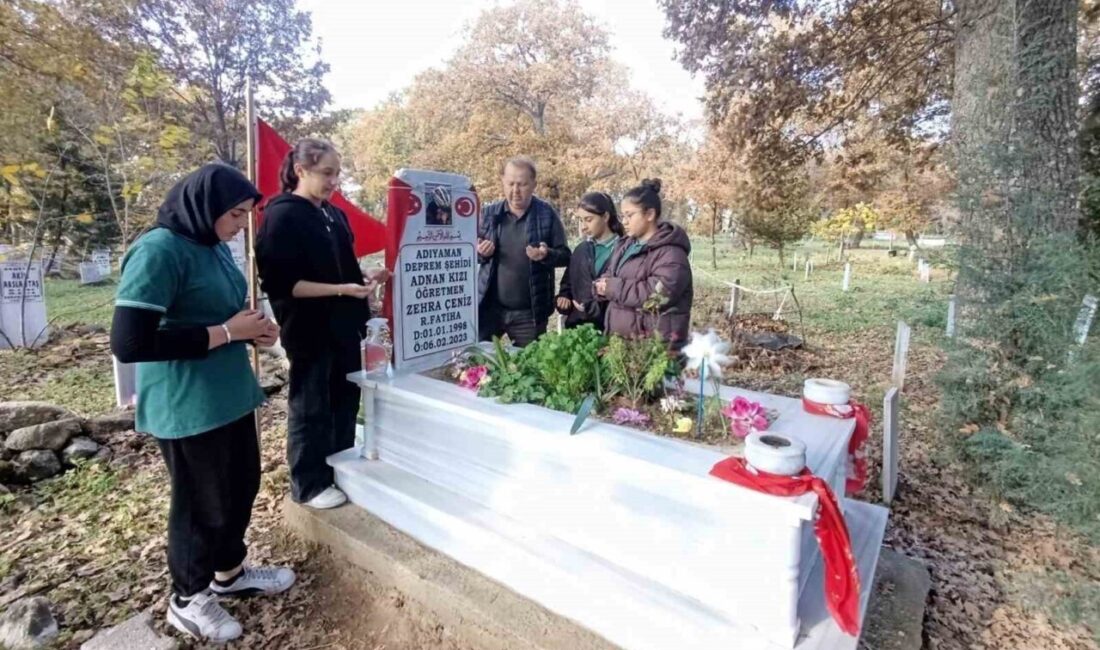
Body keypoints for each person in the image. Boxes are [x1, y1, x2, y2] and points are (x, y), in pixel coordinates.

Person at [110, 163, 295, 644]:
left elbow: (220, 314)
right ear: (203, 207)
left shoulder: (211, 247)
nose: (240, 226)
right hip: (186, 401)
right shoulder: (158, 251)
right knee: (200, 502)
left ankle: (229, 573)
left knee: (240, 486)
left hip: (228, 393)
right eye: (234, 215)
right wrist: (229, 332)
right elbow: (130, 343)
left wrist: (253, 330)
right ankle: (187, 597)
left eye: (245, 215)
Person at [255, 138, 387, 511]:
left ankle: (340, 468)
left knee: (345, 399)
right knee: (312, 405)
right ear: (301, 171)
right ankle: (309, 483)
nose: (333, 181)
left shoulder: (334, 215)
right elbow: (284, 285)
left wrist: (363, 275)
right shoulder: (281, 216)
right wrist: (341, 289)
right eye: (326, 173)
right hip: (309, 329)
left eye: (336, 173)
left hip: (346, 325)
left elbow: (341, 267)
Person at [477, 156, 571, 346]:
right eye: (510, 183)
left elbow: (565, 256)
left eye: (522, 184)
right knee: (479, 360)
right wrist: (480, 253)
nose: (515, 191)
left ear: (534, 184)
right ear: (502, 181)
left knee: (530, 363)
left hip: (530, 314)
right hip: (489, 310)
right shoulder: (488, 214)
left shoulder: (546, 214)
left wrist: (546, 255)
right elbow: (470, 254)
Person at [594, 178, 693, 349]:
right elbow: (610, 274)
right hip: (623, 343)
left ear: (649, 215)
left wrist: (612, 287)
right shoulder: (625, 246)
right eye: (622, 216)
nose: (624, 221)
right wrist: (600, 286)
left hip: (654, 347)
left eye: (630, 215)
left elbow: (656, 295)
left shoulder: (671, 254)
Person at [555, 191, 624, 330]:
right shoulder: (581, 250)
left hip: (610, 329)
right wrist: (564, 297)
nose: (583, 227)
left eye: (588, 219)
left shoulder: (623, 251)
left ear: (605, 217)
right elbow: (568, 284)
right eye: (580, 220)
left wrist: (590, 308)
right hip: (578, 328)